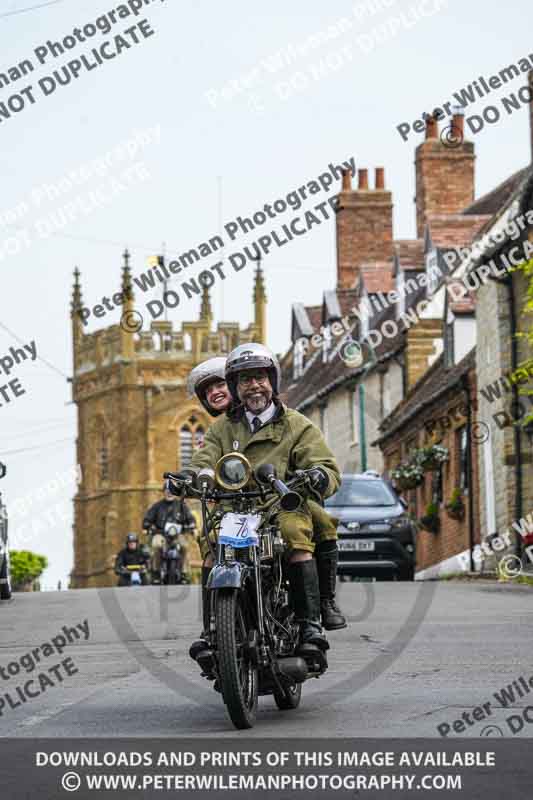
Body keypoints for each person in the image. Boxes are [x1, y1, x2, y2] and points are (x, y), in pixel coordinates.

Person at [183, 343, 342, 663]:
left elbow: (325, 465)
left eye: (260, 378)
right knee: (212, 542)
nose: (254, 386)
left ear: (272, 382)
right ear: (235, 387)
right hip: (235, 507)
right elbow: (204, 459)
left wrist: (318, 475)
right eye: (245, 380)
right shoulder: (222, 429)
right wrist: (191, 477)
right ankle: (213, 628)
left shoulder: (297, 424)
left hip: (281, 504)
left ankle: (310, 624)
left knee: (296, 534)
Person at [142, 484, 196, 584]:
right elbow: (148, 518)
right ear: (163, 492)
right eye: (167, 491)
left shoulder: (181, 506)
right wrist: (146, 526)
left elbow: (190, 518)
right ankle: (156, 572)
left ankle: (184, 573)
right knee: (156, 545)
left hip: (178, 534)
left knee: (184, 546)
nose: (169, 493)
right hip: (161, 534)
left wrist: (192, 526)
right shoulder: (157, 506)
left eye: (171, 491)